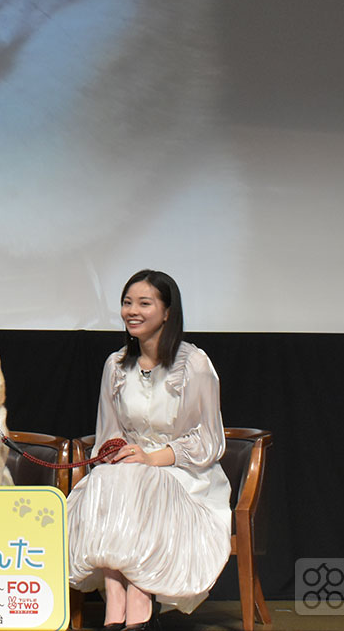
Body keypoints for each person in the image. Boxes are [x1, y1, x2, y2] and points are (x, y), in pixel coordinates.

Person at [67, 269, 231, 631]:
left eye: (144, 303)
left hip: (186, 475)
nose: (132, 311)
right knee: (109, 479)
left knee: (137, 481)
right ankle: (117, 606)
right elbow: (109, 432)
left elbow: (208, 440)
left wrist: (151, 458)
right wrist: (117, 453)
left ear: (168, 312)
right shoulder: (115, 365)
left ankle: (139, 604)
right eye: (127, 303)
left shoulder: (195, 365)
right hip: (131, 473)